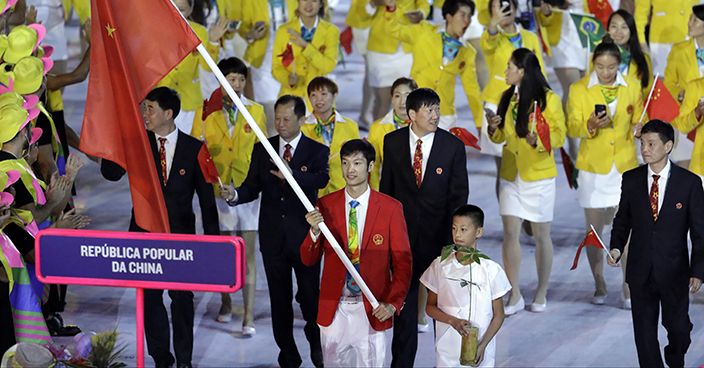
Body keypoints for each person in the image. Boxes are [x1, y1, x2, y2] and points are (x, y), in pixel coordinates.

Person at [100, 87, 220, 368]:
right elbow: (110, 173)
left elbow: (207, 203)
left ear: (169, 113)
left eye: (150, 109)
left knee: (182, 301)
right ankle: (161, 359)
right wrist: (116, 138)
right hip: (144, 235)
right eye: (144, 108)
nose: (145, 114)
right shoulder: (138, 144)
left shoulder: (195, 149)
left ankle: (184, 361)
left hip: (181, 240)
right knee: (150, 300)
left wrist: (213, 247)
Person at [220, 95, 329, 368]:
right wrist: (234, 195)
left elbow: (322, 179)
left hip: (305, 239)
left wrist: (292, 175)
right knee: (279, 301)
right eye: (277, 118)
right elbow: (251, 187)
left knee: (309, 297)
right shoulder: (263, 149)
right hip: (273, 240)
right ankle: (288, 355)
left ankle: (317, 345)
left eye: (286, 119)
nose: (279, 124)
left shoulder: (316, 150)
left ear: (301, 120)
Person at [301, 139, 412, 367]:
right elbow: (308, 258)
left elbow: (403, 263)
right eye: (345, 163)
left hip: (371, 307)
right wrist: (314, 231)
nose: (350, 169)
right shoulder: (325, 205)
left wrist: (392, 303)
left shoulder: (390, 208)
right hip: (335, 308)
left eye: (357, 163)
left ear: (370, 166)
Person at [380, 88, 469, 367]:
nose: (435, 115)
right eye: (429, 110)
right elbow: (387, 191)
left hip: (439, 241)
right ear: (412, 115)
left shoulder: (451, 146)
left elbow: (458, 197)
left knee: (441, 310)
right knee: (403, 309)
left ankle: (445, 363)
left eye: (437, 109)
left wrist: (454, 242)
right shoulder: (392, 142)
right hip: (402, 242)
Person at [609, 120, 704, 368]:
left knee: (679, 329)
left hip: (675, 273)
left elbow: (700, 232)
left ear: (668, 146)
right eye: (642, 143)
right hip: (640, 272)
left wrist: (698, 271)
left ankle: (676, 356)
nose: (645, 149)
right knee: (644, 336)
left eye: (651, 144)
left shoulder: (689, 183)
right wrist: (617, 247)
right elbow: (622, 220)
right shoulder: (631, 180)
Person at [191, 57, 267, 335]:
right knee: (224, 253)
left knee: (248, 254)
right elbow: (201, 151)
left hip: (248, 192)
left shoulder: (256, 111)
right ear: (220, 81)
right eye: (230, 79)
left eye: (240, 79)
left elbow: (261, 151)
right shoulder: (208, 112)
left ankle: (248, 316)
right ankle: (225, 302)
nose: (236, 84)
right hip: (218, 191)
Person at [567, 37, 643, 308]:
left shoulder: (632, 86)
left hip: (624, 168)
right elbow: (572, 126)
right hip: (593, 171)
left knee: (629, 232)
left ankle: (627, 285)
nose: (606, 72)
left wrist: (639, 127)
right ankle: (599, 281)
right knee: (595, 233)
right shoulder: (579, 89)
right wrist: (588, 125)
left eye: (611, 67)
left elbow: (638, 120)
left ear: (619, 65)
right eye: (600, 66)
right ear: (593, 64)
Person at [487, 48, 565, 314]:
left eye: (509, 66)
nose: (505, 70)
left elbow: (560, 135)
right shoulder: (507, 96)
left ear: (522, 70)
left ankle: (541, 291)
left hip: (539, 176)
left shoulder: (548, 99)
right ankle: (515, 293)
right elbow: (499, 138)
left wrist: (540, 141)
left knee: (542, 235)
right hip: (511, 174)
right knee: (510, 233)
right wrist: (493, 128)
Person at [420, 204, 510, 367]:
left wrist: (482, 346)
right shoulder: (440, 265)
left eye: (463, 229)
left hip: (479, 347)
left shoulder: (490, 269)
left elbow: (499, 315)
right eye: (454, 229)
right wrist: (452, 321)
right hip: (448, 347)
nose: (457, 235)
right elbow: (430, 307)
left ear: (478, 232)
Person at [479, 0, 544, 196]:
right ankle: (510, 216)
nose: (504, 12)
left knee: (527, 161)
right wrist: (494, 23)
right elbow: (487, 45)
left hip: (526, 104)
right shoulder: (493, 37)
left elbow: (540, 70)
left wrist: (544, 101)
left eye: (508, 7)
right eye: (498, 9)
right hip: (498, 104)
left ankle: (526, 215)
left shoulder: (530, 37)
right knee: (505, 168)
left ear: (516, 9)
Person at [389, 0, 483, 130]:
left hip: (444, 117)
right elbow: (394, 30)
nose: (466, 21)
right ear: (449, 16)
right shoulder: (424, 31)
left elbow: (472, 89)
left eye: (469, 16)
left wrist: (480, 124)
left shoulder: (468, 52)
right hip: (416, 111)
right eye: (462, 15)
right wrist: (392, 9)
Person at [157, 0, 225, 135]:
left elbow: (207, 67)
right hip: (160, 100)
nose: (176, 13)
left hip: (188, 103)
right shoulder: (155, 30)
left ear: (190, 9)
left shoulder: (199, 32)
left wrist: (212, 41)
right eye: (173, 7)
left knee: (186, 147)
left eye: (181, 9)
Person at [366, 0, 428, 120]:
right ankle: (378, 137)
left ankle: (405, 137)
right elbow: (362, 13)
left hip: (407, 46)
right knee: (383, 101)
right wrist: (375, 3)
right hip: (380, 47)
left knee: (408, 101)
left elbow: (423, 4)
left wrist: (421, 13)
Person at [271, 0, 339, 106]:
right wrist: (288, 79)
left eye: (314, 1)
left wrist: (306, 46)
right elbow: (276, 66)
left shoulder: (331, 31)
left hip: (320, 101)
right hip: (291, 99)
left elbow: (328, 65)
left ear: (321, 4)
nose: (308, 4)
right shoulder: (284, 31)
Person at [301, 76, 359, 196]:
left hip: (343, 189)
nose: (319, 100)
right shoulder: (302, 127)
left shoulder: (350, 126)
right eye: (313, 95)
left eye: (323, 94)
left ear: (334, 95)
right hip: (312, 192)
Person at [663, 4, 704, 169]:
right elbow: (668, 84)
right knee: (685, 169)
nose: (689, 23)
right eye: (690, 18)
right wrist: (679, 93)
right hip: (685, 116)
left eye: (695, 20)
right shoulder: (678, 50)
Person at [368, 77, 417, 190]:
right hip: (390, 192)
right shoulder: (378, 128)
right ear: (392, 99)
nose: (402, 102)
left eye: (407, 95)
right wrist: (377, 196)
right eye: (397, 96)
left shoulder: (426, 126)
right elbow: (373, 167)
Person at [635, 0, 699, 76]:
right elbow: (640, 15)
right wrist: (642, 43)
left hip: (692, 39)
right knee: (661, 83)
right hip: (662, 42)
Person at [606, 10, 652, 95]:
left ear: (631, 31)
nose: (618, 32)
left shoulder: (643, 59)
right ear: (608, 30)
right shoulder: (599, 57)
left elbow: (648, 90)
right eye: (614, 26)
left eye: (624, 27)